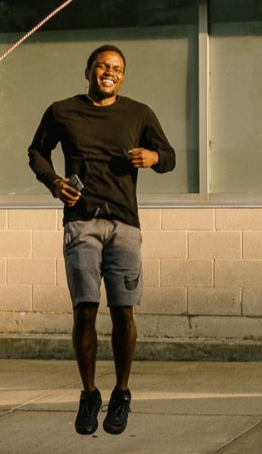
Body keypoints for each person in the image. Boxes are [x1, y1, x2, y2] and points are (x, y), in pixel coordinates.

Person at [28, 45, 176, 435]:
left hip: (125, 225)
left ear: (122, 76)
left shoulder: (139, 113)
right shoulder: (62, 110)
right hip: (81, 224)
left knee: (124, 312)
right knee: (85, 311)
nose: (109, 72)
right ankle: (89, 393)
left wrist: (153, 158)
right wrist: (55, 183)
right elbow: (36, 152)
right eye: (102, 66)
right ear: (89, 71)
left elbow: (170, 155)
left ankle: (122, 393)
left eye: (117, 68)